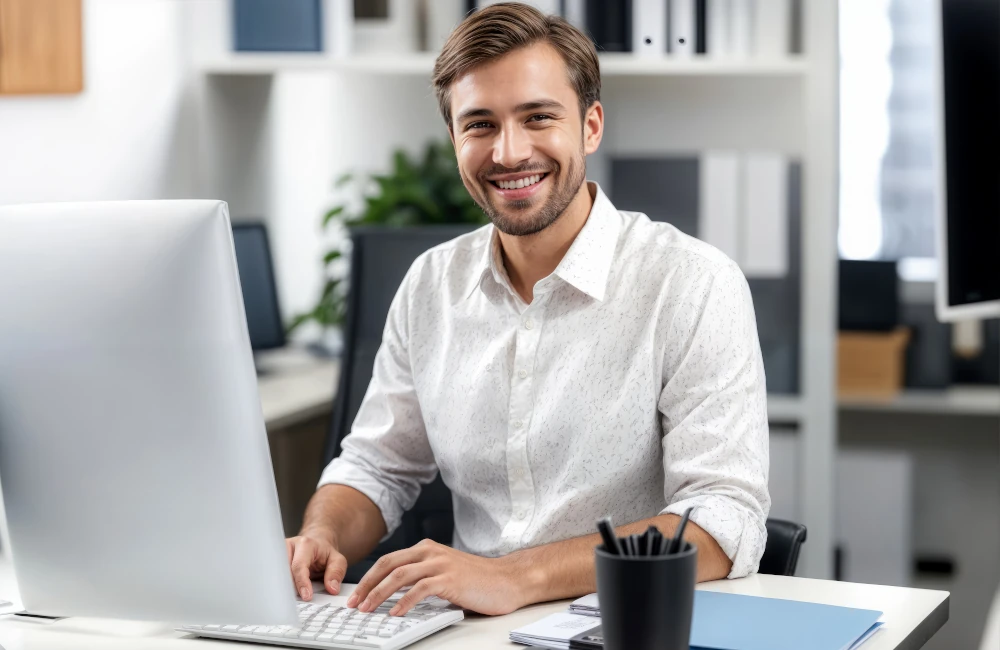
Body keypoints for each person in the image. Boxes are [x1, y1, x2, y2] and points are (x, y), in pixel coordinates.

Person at [286, 2, 770, 617]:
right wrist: (322, 537)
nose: (509, 153)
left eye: (538, 117)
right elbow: (375, 469)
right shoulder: (431, 285)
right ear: (455, 140)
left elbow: (722, 525)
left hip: (628, 624)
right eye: (480, 125)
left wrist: (515, 577)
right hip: (467, 629)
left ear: (591, 126)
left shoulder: (693, 284)